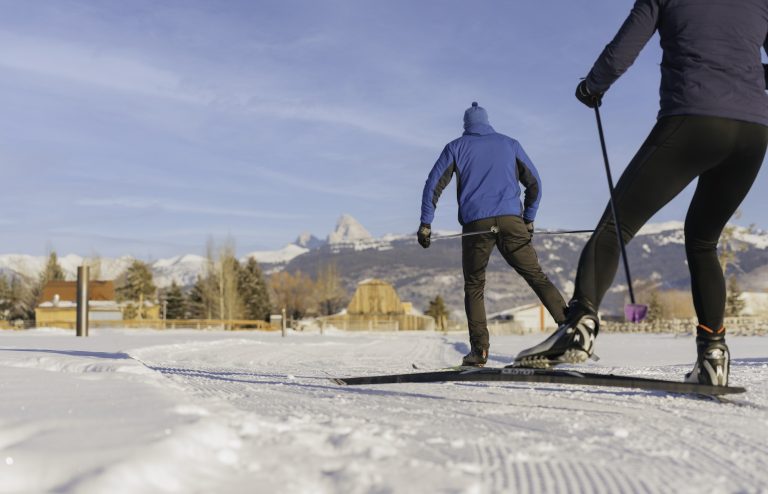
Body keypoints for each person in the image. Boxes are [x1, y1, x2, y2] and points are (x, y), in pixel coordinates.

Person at [514, 0, 768, 386]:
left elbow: (622, 52)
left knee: (614, 227)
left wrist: (591, 87)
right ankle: (713, 355)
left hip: (692, 119)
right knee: (703, 242)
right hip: (753, 134)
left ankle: (580, 324)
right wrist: (744, 75)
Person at [418, 102, 568, 367]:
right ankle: (569, 331)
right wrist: (529, 219)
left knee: (474, 285)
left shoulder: (456, 147)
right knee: (535, 275)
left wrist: (426, 223)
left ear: (466, 125)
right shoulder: (510, 144)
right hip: (512, 221)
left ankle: (479, 352)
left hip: (476, 225)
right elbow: (535, 183)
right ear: (488, 122)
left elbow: (433, 185)